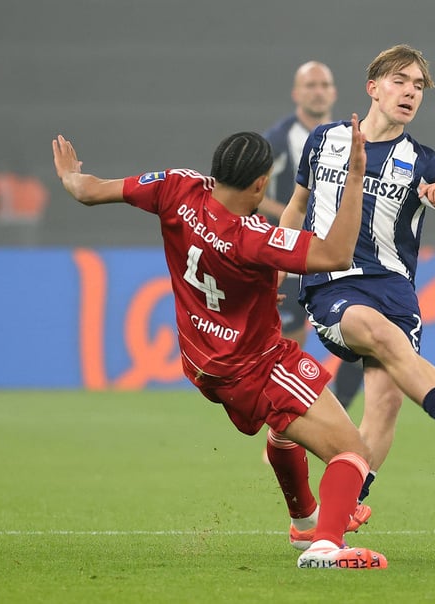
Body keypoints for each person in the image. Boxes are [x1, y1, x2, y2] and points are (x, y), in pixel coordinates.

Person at [51, 115, 387, 570]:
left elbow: (89, 191)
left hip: (201, 362)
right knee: (354, 454)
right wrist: (355, 176)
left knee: (285, 429)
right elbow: (336, 254)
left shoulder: (177, 187)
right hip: (257, 365)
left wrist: (71, 177)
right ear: (260, 184)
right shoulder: (253, 238)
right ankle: (326, 545)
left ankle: (306, 519)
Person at [279, 44, 435, 506]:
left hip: (396, 292)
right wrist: (276, 275)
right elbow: (297, 208)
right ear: (373, 88)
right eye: (400, 81)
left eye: (418, 86)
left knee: (384, 406)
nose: (410, 92)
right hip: (335, 286)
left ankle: (341, 511)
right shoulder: (324, 140)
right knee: (376, 331)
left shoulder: (423, 162)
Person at [261, 61, 364, 410]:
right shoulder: (277, 140)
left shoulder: (353, 138)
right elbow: (251, 192)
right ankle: (286, 424)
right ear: (297, 93)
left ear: (333, 92)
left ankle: (335, 415)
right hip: (290, 257)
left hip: (338, 257)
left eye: (324, 85)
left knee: (360, 344)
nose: (318, 91)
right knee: (288, 346)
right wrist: (292, 217)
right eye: (311, 85)